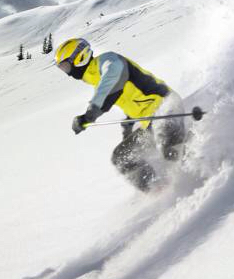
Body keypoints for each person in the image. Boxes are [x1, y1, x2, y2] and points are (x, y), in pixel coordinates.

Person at [55, 38, 186, 191]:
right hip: (149, 122)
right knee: (122, 157)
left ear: (79, 57)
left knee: (167, 141)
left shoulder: (108, 61)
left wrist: (89, 115)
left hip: (166, 108)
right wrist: (128, 124)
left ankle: (194, 173)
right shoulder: (96, 77)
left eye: (66, 66)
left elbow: (113, 82)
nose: (67, 73)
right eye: (62, 69)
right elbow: (128, 98)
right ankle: (158, 190)